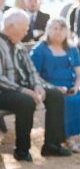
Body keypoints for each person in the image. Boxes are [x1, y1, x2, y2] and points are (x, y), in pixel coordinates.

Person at [0, 9, 71, 161]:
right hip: (4, 92)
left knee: (55, 95)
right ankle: (22, 150)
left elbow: (32, 71)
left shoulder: (19, 45)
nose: (27, 31)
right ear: (11, 26)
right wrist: (24, 90)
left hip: (23, 88)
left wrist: (37, 86)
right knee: (25, 102)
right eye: (24, 27)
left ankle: (52, 145)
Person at [30, 18, 80, 150]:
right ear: (48, 30)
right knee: (64, 101)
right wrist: (54, 88)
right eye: (54, 28)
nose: (58, 32)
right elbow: (35, 75)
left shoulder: (72, 49)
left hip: (70, 86)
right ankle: (64, 137)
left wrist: (76, 87)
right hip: (49, 87)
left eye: (62, 29)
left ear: (66, 31)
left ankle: (72, 136)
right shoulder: (40, 49)